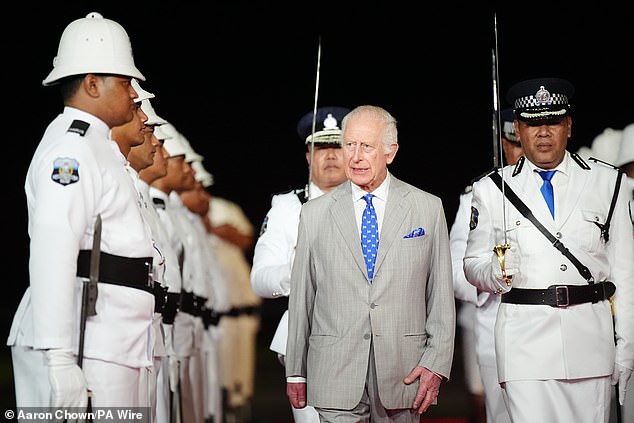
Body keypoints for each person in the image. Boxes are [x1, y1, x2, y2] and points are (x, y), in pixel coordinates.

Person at [7, 11, 156, 413]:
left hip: (110, 340)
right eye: (125, 82)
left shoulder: (97, 145)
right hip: (86, 343)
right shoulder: (72, 149)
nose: (132, 93)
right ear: (92, 83)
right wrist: (59, 355)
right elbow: (55, 245)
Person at [463, 77, 634, 423]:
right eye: (533, 124)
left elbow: (626, 274)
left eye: (552, 121)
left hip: (592, 345)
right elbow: (471, 264)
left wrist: (626, 349)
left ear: (568, 126)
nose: (543, 132)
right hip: (524, 347)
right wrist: (494, 273)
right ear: (520, 129)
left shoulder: (608, 183)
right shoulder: (492, 189)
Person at [285, 105, 455, 421]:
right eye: (349, 144)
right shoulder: (315, 214)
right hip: (335, 368)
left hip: (404, 371)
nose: (355, 156)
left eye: (367, 146)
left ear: (390, 152)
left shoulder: (427, 208)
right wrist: (295, 370)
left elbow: (441, 296)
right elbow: (302, 298)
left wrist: (436, 362)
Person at [251, 106, 349, 423]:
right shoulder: (288, 206)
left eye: (339, 145)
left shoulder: (377, 204)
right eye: (321, 146)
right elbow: (260, 279)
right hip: (307, 344)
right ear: (308, 155)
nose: (331, 155)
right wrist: (298, 270)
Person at [450, 108, 521, 423]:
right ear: (504, 144)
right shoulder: (480, 194)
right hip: (499, 331)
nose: (525, 152)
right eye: (516, 143)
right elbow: (455, 271)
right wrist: (490, 273)